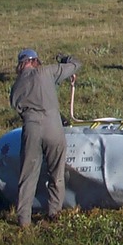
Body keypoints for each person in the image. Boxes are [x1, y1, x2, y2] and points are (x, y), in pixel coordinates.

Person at [9, 49, 81, 228]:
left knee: (27, 176)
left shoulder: (16, 87)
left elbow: (17, 108)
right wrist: (66, 59)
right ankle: (54, 214)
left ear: (21, 64)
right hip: (53, 127)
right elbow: (76, 65)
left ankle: (24, 221)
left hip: (31, 128)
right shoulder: (47, 72)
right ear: (35, 61)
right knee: (56, 173)